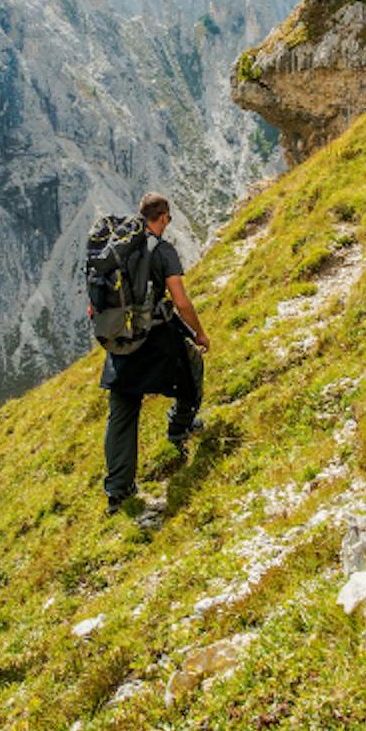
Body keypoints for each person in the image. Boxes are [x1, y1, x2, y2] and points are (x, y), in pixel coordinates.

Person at [98, 192, 210, 514]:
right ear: (162, 218)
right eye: (169, 219)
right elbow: (181, 301)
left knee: (121, 413)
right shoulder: (162, 251)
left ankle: (118, 492)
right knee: (191, 370)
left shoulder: (117, 249)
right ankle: (180, 428)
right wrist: (199, 333)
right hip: (156, 339)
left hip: (120, 341)